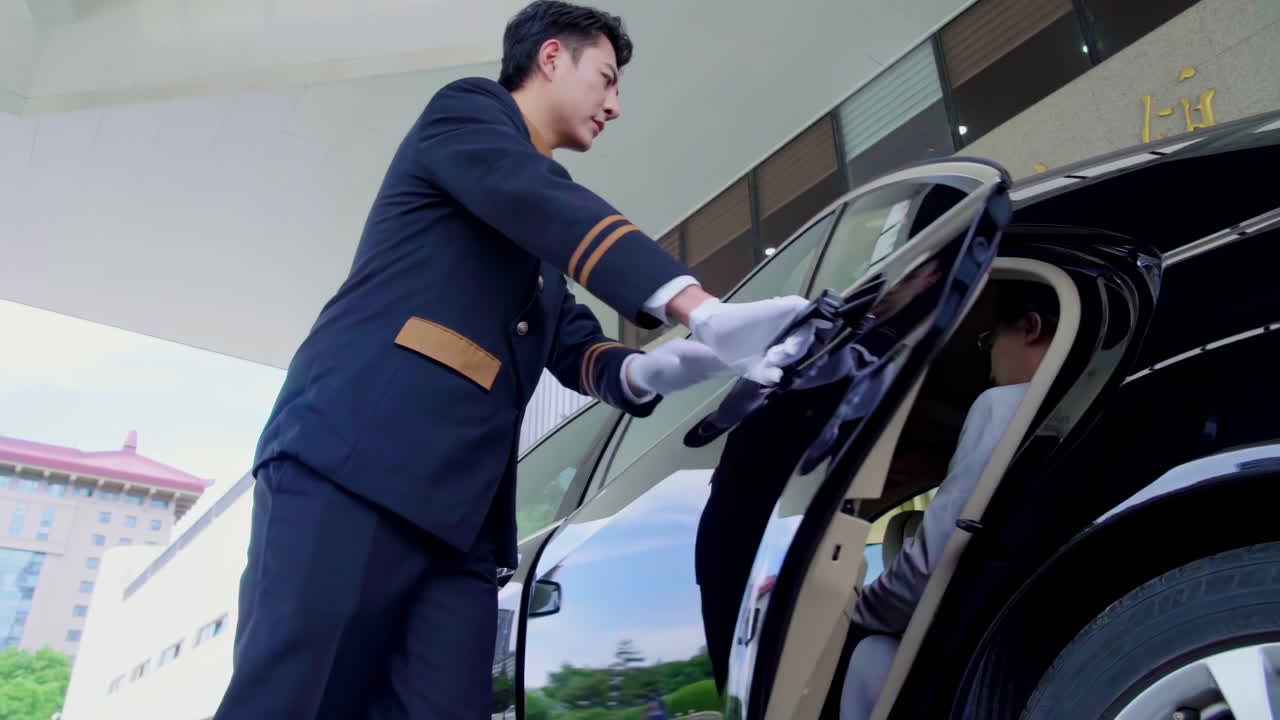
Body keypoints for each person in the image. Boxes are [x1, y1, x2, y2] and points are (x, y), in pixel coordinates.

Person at [212, 2, 815, 719]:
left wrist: (676, 365)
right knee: (294, 700)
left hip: (462, 526)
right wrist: (699, 308)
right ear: (552, 57)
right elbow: (537, 198)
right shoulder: (466, 114)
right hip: (358, 466)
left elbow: (579, 348)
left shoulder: (537, 253)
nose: (615, 106)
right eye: (607, 79)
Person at [839, 280, 1059, 720]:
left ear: (1030, 327)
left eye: (990, 339)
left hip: (994, 653)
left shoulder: (1004, 403)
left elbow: (933, 561)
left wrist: (855, 611)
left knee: (871, 652)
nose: (989, 361)